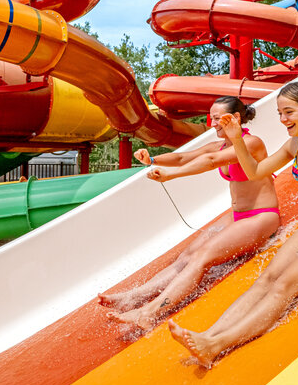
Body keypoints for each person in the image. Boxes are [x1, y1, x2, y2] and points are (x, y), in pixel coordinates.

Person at [167, 80, 298, 368]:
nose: (283, 120)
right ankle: (208, 334)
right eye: (280, 113)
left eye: (289, 112)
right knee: (264, 280)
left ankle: (215, 345)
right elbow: (255, 172)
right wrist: (237, 139)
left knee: (284, 285)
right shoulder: (294, 145)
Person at [97, 96, 282, 330]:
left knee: (201, 258)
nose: (212, 123)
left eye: (218, 119)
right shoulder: (220, 144)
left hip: (261, 216)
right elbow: (184, 156)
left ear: (235, 118)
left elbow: (211, 161)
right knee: (187, 255)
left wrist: (171, 175)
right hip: (237, 215)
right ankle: (133, 297)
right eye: (211, 118)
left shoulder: (252, 142)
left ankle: (150, 312)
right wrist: (152, 159)